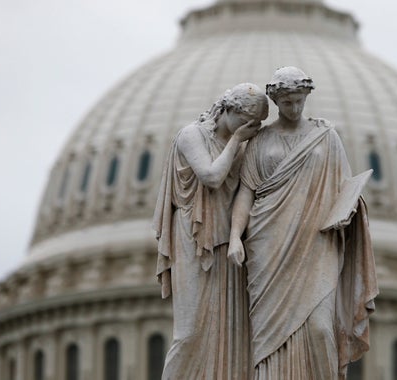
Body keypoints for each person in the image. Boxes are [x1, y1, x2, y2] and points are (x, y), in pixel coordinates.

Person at [228, 67, 378, 380]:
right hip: (268, 248)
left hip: (317, 244)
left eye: (299, 101)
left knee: (321, 327)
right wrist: (233, 238)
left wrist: (347, 212)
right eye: (287, 103)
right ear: (276, 101)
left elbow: (345, 190)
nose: (294, 108)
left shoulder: (326, 138)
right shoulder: (260, 141)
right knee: (267, 336)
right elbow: (246, 193)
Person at [152, 83, 269, 379]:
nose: (250, 128)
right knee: (189, 332)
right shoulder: (192, 135)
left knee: (228, 330)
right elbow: (212, 176)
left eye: (255, 125)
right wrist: (238, 140)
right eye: (247, 122)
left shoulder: (242, 147)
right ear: (229, 109)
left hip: (226, 241)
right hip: (193, 235)